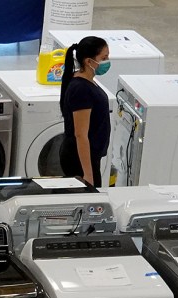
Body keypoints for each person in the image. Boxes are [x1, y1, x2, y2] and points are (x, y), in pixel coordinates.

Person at [59, 36, 111, 187]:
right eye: (104, 58)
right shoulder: (81, 89)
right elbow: (80, 134)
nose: (107, 61)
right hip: (80, 160)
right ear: (89, 61)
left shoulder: (85, 80)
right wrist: (87, 174)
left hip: (89, 156)